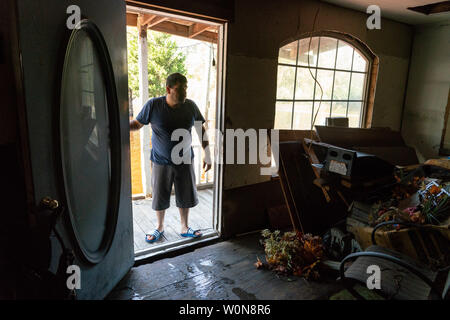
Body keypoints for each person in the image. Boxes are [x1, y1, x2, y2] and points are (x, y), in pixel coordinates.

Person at [129, 73, 211, 243]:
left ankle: (184, 227)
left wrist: (207, 153)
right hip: (161, 161)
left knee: (185, 194)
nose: (185, 92)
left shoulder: (190, 106)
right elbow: (136, 124)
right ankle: (159, 227)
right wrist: (117, 124)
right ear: (168, 89)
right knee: (160, 195)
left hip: (185, 160)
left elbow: (200, 129)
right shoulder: (153, 105)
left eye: (186, 88)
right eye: (180, 88)